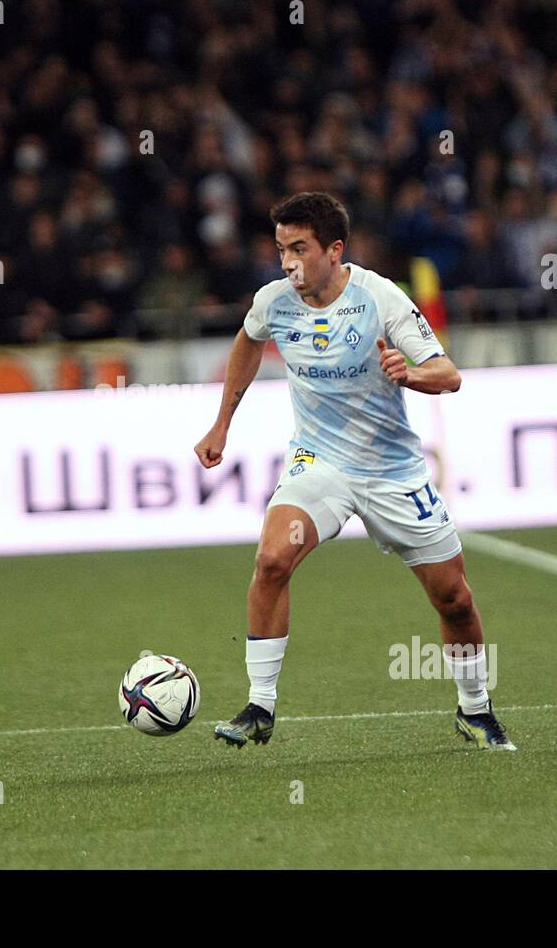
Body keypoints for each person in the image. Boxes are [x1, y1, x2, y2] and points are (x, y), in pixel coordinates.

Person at [194, 192, 514, 750]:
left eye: (299, 248)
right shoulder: (273, 301)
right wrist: (222, 422)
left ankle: (475, 709)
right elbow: (248, 341)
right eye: (280, 249)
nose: (287, 261)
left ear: (334, 250)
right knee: (272, 558)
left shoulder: (379, 297)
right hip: (320, 463)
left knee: (454, 598)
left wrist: (409, 374)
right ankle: (259, 707)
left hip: (392, 471)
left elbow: (449, 374)